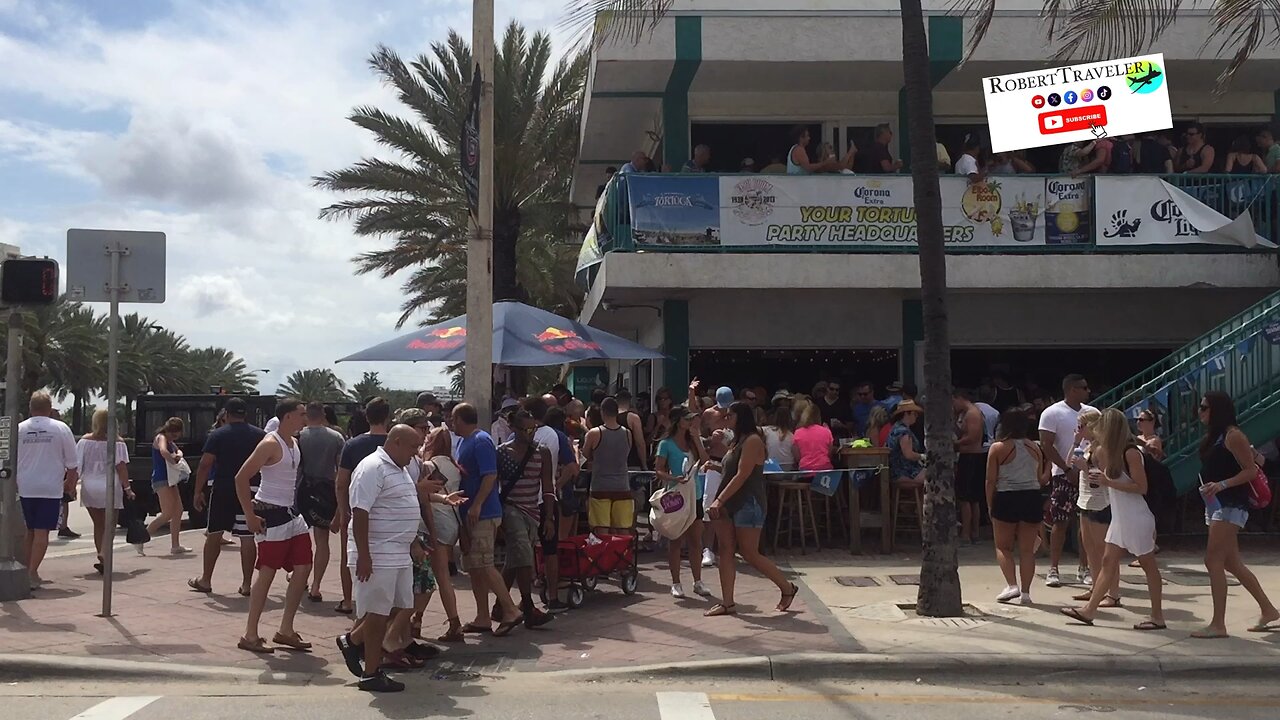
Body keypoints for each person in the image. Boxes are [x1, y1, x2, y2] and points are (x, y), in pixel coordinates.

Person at [336, 424, 427, 693]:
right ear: (396, 442)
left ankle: (352, 641)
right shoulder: (372, 467)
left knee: (397, 607)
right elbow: (360, 511)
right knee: (377, 613)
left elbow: (403, 506)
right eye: (412, 446)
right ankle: (371, 672)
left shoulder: (400, 469)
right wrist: (365, 555)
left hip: (398, 552)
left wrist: (414, 541)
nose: (416, 452)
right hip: (378, 552)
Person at [1061, 409, 1165, 631]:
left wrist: (1107, 481)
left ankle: (1157, 616)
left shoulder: (1130, 453)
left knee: (1148, 566)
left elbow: (1141, 487)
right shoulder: (1115, 451)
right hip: (1121, 518)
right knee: (1108, 563)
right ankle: (1089, 610)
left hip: (1136, 517)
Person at [1193, 391, 1280, 638]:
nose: (1200, 412)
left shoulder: (1233, 435)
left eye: (1204, 407)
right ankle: (1268, 609)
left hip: (1231, 504)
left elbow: (1251, 471)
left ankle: (1218, 624)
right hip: (1218, 503)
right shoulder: (1217, 436)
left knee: (1213, 561)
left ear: (1217, 409)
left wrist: (1222, 484)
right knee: (1231, 562)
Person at [705, 402, 798, 617]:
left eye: (730, 416)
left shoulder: (753, 440)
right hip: (730, 501)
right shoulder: (736, 442)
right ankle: (727, 602)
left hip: (748, 502)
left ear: (741, 418)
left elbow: (743, 474)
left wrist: (718, 500)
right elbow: (732, 470)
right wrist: (715, 466)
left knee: (749, 552)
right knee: (725, 550)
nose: (726, 420)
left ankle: (787, 587)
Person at [234, 399, 312, 655]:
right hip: (270, 513)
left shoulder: (295, 443)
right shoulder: (269, 443)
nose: (305, 419)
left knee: (303, 566)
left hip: (291, 513)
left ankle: (285, 629)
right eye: (301, 414)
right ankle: (250, 634)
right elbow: (241, 477)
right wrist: (249, 515)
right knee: (267, 572)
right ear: (288, 416)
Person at [453, 403, 524, 636]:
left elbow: (490, 475)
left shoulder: (481, 440)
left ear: (462, 419)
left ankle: (510, 609)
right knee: (475, 567)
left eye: (454, 419)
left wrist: (477, 504)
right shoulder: (464, 441)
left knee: (484, 563)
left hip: (483, 513)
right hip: (470, 514)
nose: (451, 424)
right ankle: (482, 616)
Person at [190, 397, 264, 596]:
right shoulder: (260, 435)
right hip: (250, 489)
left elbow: (205, 464)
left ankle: (206, 580)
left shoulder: (218, 435)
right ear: (245, 414)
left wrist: (198, 491)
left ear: (226, 414)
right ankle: (247, 584)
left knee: (214, 533)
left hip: (224, 488)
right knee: (247, 537)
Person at [494, 411, 556, 628]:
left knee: (515, 558)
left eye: (533, 429)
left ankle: (499, 606)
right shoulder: (501, 453)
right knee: (524, 555)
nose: (530, 434)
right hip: (510, 509)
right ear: (514, 429)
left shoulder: (543, 452)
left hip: (533, 512)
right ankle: (528, 606)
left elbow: (548, 487)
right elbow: (494, 486)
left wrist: (549, 517)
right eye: (525, 430)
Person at [333, 397, 393, 615]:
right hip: (387, 512)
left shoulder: (353, 445)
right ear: (388, 417)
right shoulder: (394, 444)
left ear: (366, 417)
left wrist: (342, 511)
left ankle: (349, 600)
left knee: (349, 556)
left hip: (356, 509)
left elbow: (341, 482)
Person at [1038, 374, 1096, 589]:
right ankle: (1054, 569)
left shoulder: (1092, 413)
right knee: (1060, 521)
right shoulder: (1052, 413)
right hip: (1063, 475)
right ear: (1072, 389)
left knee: (1086, 523)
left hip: (1087, 472)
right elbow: (1046, 444)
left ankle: (1084, 568)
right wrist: (1065, 468)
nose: (1088, 391)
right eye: (1084, 387)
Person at [17, 392, 78, 588]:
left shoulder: (19, 429)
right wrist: (70, 484)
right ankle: (32, 573)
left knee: (30, 531)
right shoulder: (61, 428)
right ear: (50, 408)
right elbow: (72, 464)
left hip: (25, 486)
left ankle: (27, 571)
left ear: (30, 407)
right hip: (50, 487)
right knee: (42, 532)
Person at [986, 409, 1047, 605]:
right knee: (1027, 550)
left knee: (1003, 546)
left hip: (1006, 497)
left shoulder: (997, 448)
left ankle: (1012, 585)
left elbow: (990, 480)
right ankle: (1027, 593)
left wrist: (990, 504)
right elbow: (1039, 479)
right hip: (1031, 497)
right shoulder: (1035, 448)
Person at [656, 406, 711, 599]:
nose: (690, 423)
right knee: (676, 541)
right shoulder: (666, 444)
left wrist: (696, 438)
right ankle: (676, 582)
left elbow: (705, 461)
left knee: (696, 540)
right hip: (676, 496)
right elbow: (659, 470)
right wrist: (673, 478)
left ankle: (698, 581)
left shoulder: (693, 442)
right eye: (687, 420)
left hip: (694, 494)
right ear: (679, 421)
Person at [1070, 408, 1121, 607]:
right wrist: (1075, 443)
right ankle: (1095, 588)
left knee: (1105, 551)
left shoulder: (1102, 449)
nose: (1079, 430)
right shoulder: (1089, 446)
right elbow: (1069, 464)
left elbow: (1106, 477)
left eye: (1081, 426)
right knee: (1089, 548)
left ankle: (1113, 593)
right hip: (1085, 500)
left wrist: (1086, 467)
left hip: (1101, 503)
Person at [298, 401, 346, 603]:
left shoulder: (299, 436)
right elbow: (341, 470)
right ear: (323, 415)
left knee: (298, 537)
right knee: (322, 540)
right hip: (326, 491)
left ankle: (299, 576)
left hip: (302, 489)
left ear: (307, 415)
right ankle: (316, 585)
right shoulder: (336, 437)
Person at [77, 409, 134, 575]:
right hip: (110, 485)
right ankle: (104, 553)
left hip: (90, 485)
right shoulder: (117, 442)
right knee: (110, 524)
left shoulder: (84, 441)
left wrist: (69, 485)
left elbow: (77, 466)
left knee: (98, 524)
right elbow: (121, 467)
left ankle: (101, 554)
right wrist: (128, 489)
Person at [542, 405, 580, 613]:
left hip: (542, 497)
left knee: (545, 542)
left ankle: (543, 577)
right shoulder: (561, 438)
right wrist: (559, 484)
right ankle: (561, 578)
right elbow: (574, 468)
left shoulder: (538, 436)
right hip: (562, 496)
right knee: (562, 540)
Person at [582, 397, 635, 536]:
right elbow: (626, 453)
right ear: (617, 412)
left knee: (601, 528)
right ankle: (622, 556)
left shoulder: (594, 433)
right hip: (622, 486)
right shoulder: (627, 433)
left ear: (602, 412)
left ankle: (603, 557)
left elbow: (586, 453)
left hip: (600, 486)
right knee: (623, 529)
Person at [146, 417, 190, 555]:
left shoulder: (170, 441)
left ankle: (175, 545)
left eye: (176, 435)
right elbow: (163, 451)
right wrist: (173, 461)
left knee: (178, 510)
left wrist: (177, 455)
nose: (174, 437)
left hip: (171, 479)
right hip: (162, 479)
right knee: (167, 513)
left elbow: (179, 451)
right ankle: (142, 537)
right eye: (173, 434)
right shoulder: (161, 438)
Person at [953, 390, 987, 545]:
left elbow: (972, 436)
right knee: (972, 498)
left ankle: (967, 533)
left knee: (966, 498)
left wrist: (955, 444)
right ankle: (973, 532)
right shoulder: (967, 413)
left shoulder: (972, 414)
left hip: (971, 457)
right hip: (970, 456)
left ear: (959, 398)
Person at [886, 401, 926, 489]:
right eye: (915, 414)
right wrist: (923, 457)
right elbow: (908, 455)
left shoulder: (896, 427)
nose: (916, 416)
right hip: (904, 472)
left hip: (897, 470)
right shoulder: (903, 431)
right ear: (907, 414)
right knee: (935, 475)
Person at [787, 125, 853, 174]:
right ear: (801, 137)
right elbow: (808, 168)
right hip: (797, 185)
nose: (809, 138)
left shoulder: (796, 149)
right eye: (807, 136)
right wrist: (826, 162)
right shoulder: (799, 149)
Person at [793, 402, 835, 473]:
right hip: (824, 469)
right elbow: (829, 454)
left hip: (805, 469)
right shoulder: (826, 431)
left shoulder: (797, 432)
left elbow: (797, 457)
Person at [614, 389, 649, 471]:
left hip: (613, 463)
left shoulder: (609, 417)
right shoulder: (633, 418)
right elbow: (640, 443)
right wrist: (644, 465)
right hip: (631, 462)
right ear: (629, 401)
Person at [763, 405, 798, 471]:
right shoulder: (792, 436)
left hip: (771, 468)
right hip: (788, 469)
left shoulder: (766, 431)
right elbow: (796, 456)